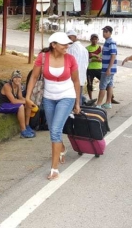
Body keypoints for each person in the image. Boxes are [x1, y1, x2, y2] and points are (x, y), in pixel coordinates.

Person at [25, 32, 81, 181]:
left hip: (67, 97)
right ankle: (61, 147)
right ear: (53, 45)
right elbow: (34, 77)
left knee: (56, 130)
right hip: (49, 98)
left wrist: (77, 103)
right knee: (52, 129)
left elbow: (76, 81)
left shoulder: (70, 59)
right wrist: (27, 97)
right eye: (63, 44)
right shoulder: (42, 58)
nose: (67, 47)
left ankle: (54, 169)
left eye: (68, 44)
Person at [0, 70, 35, 138]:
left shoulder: (18, 85)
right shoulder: (7, 86)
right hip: (0, 106)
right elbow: (13, 101)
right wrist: (26, 101)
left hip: (9, 104)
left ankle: (27, 125)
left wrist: (28, 101)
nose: (17, 79)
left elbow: (20, 97)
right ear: (12, 78)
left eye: (19, 77)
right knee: (21, 106)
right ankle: (23, 131)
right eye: (15, 77)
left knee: (28, 104)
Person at [95, 25, 118, 109]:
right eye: (103, 32)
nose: (104, 33)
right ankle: (108, 102)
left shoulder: (111, 42)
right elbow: (108, 55)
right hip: (108, 68)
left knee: (102, 86)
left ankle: (98, 104)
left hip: (107, 69)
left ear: (110, 33)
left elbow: (113, 55)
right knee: (110, 85)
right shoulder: (107, 42)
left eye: (106, 32)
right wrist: (101, 58)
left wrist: (109, 68)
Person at [66, 30, 89, 105]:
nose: (68, 39)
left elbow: (69, 64)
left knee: (72, 100)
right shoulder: (84, 49)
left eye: (70, 37)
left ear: (75, 37)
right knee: (78, 99)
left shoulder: (72, 48)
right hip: (81, 77)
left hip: (73, 78)